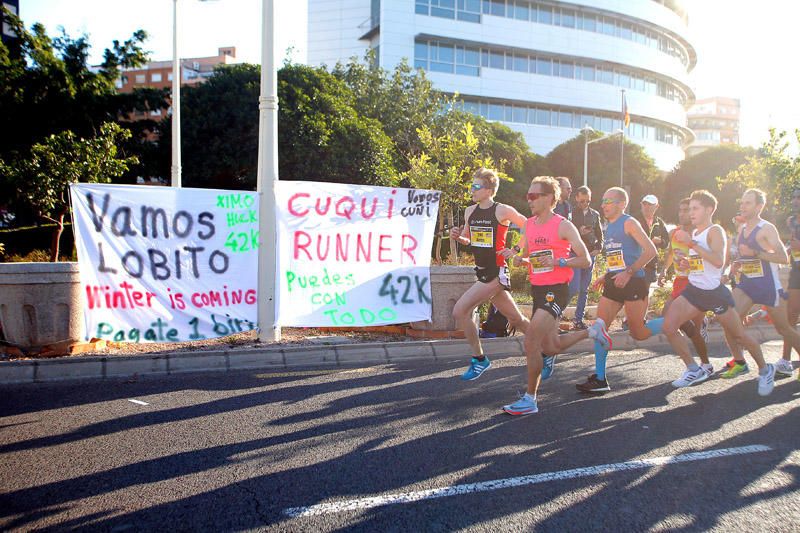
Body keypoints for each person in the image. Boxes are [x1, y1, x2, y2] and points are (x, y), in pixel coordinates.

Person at [498, 176, 603, 415]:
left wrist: (559, 261)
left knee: (531, 340)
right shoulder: (530, 225)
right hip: (538, 289)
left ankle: (530, 399)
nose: (529, 200)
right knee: (552, 346)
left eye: (534, 196)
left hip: (556, 290)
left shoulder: (563, 225)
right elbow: (533, 259)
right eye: (528, 195)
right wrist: (518, 258)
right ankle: (592, 331)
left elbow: (585, 260)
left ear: (549, 198)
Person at [662, 190, 775, 395]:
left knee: (738, 335)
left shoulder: (715, 231)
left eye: (695, 208)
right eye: (689, 209)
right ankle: (693, 369)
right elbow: (703, 264)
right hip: (694, 290)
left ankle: (766, 369)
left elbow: (717, 261)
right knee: (669, 326)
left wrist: (691, 244)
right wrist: (690, 263)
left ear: (709, 209)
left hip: (714, 293)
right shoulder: (695, 233)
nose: (690, 213)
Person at [576, 187, 659, 393]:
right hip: (615, 281)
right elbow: (618, 256)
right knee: (599, 328)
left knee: (638, 332)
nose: (603, 204)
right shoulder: (608, 225)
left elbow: (651, 251)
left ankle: (675, 322)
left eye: (608, 201)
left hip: (634, 282)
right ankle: (600, 379)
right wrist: (607, 275)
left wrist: (628, 273)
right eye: (603, 201)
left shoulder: (629, 222)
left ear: (621, 204)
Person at [449, 168, 530, 381]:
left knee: (460, 311)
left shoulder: (502, 210)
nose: (472, 190)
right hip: (482, 271)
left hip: (497, 272)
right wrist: (459, 237)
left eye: (476, 187)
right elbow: (469, 239)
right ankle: (548, 346)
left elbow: (529, 226)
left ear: (489, 189)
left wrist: (515, 250)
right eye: (472, 186)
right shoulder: (469, 211)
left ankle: (479, 359)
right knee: (516, 318)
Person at [721, 188, 800, 379]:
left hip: (768, 286)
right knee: (727, 318)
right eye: (741, 202)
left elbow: (783, 257)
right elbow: (743, 255)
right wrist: (735, 267)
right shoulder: (741, 229)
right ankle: (740, 362)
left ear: (759, 206)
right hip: (747, 284)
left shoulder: (767, 228)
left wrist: (756, 253)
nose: (743, 206)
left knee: (784, 328)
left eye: (748, 203)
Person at [658, 198, 711, 377]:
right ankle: (697, 365)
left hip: (695, 284)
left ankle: (703, 365)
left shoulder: (699, 235)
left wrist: (691, 265)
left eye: (686, 210)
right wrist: (664, 270)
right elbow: (671, 252)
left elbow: (710, 261)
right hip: (679, 282)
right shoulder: (675, 232)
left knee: (684, 327)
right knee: (671, 318)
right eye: (679, 210)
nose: (682, 214)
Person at [569, 185, 604, 330]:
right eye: (582, 201)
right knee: (574, 287)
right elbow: (563, 233)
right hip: (574, 254)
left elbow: (600, 236)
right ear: (576, 198)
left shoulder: (595, 214)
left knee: (584, 289)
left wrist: (598, 249)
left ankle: (578, 319)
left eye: (587, 201)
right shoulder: (570, 213)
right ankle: (555, 315)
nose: (584, 204)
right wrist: (578, 231)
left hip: (590, 255)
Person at [780, 187, 800, 379]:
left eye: (799, 197)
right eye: (794, 197)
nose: (795, 200)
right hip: (797, 271)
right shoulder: (791, 222)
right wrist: (786, 251)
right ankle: (785, 360)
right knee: (790, 315)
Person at [635, 194, 670, 288]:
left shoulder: (659, 222)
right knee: (631, 295)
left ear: (656, 206)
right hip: (635, 263)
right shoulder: (634, 220)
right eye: (644, 204)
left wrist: (660, 241)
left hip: (651, 265)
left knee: (645, 294)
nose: (646, 207)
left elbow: (666, 242)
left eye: (650, 204)